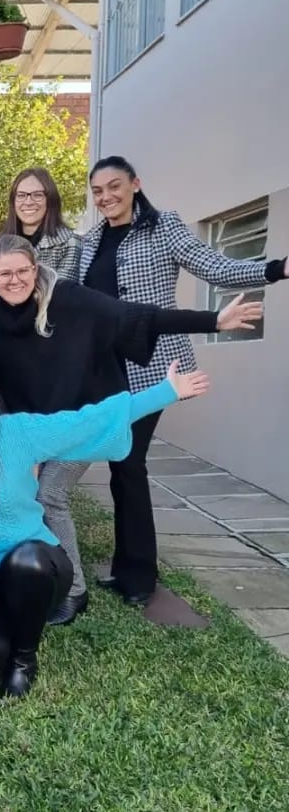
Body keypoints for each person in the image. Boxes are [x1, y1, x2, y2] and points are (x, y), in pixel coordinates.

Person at [0, 234, 263, 623]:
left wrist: (213, 320)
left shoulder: (67, 298)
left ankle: (74, 592)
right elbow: (7, 384)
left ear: (35, 269)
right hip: (45, 424)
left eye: (22, 271)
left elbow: (133, 315)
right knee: (23, 491)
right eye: (5, 274)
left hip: (91, 417)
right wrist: (26, 449)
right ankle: (37, 569)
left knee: (50, 494)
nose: (14, 280)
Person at [0, 360, 210, 697]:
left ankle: (23, 658)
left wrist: (164, 392)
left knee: (26, 563)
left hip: (34, 563)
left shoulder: (16, 433)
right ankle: (1, 615)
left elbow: (84, 422)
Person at [82, 156, 287, 603]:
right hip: (105, 368)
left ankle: (139, 576)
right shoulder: (92, 240)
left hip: (152, 366)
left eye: (114, 186)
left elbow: (213, 265)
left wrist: (275, 269)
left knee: (129, 461)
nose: (106, 197)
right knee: (120, 463)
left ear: (135, 184)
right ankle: (126, 567)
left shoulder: (163, 227)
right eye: (97, 191)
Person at [0, 167, 81, 280]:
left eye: (37, 195)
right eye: (21, 195)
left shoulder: (69, 243)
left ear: (50, 200)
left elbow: (62, 289)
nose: (28, 202)